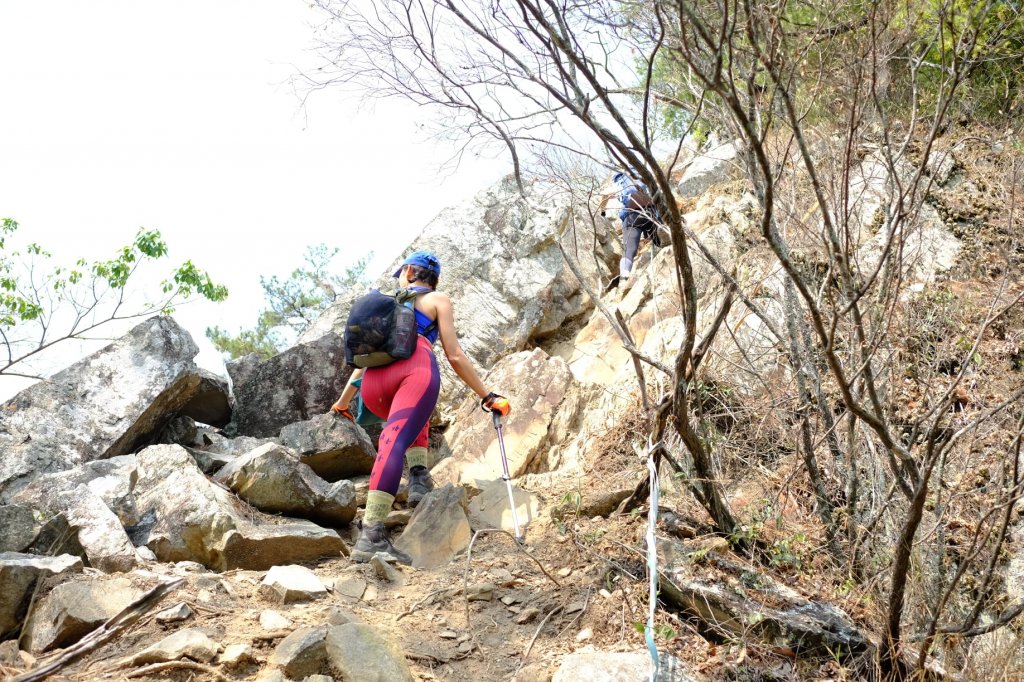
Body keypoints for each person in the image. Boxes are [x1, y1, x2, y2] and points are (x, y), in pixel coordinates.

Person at [331, 250, 510, 564]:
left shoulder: (388, 305)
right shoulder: (438, 299)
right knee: (404, 425)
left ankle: (417, 477)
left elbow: (363, 363)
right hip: (413, 371)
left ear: (410, 271)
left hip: (373, 386)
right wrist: (487, 396)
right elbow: (454, 355)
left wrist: (343, 402)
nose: (400, 277)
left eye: (401, 272)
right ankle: (373, 533)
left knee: (403, 426)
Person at [606, 171, 661, 289]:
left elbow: (605, 196)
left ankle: (624, 274)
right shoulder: (640, 175)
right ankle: (661, 241)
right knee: (658, 235)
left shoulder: (617, 186)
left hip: (630, 217)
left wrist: (602, 212)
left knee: (629, 249)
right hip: (649, 211)